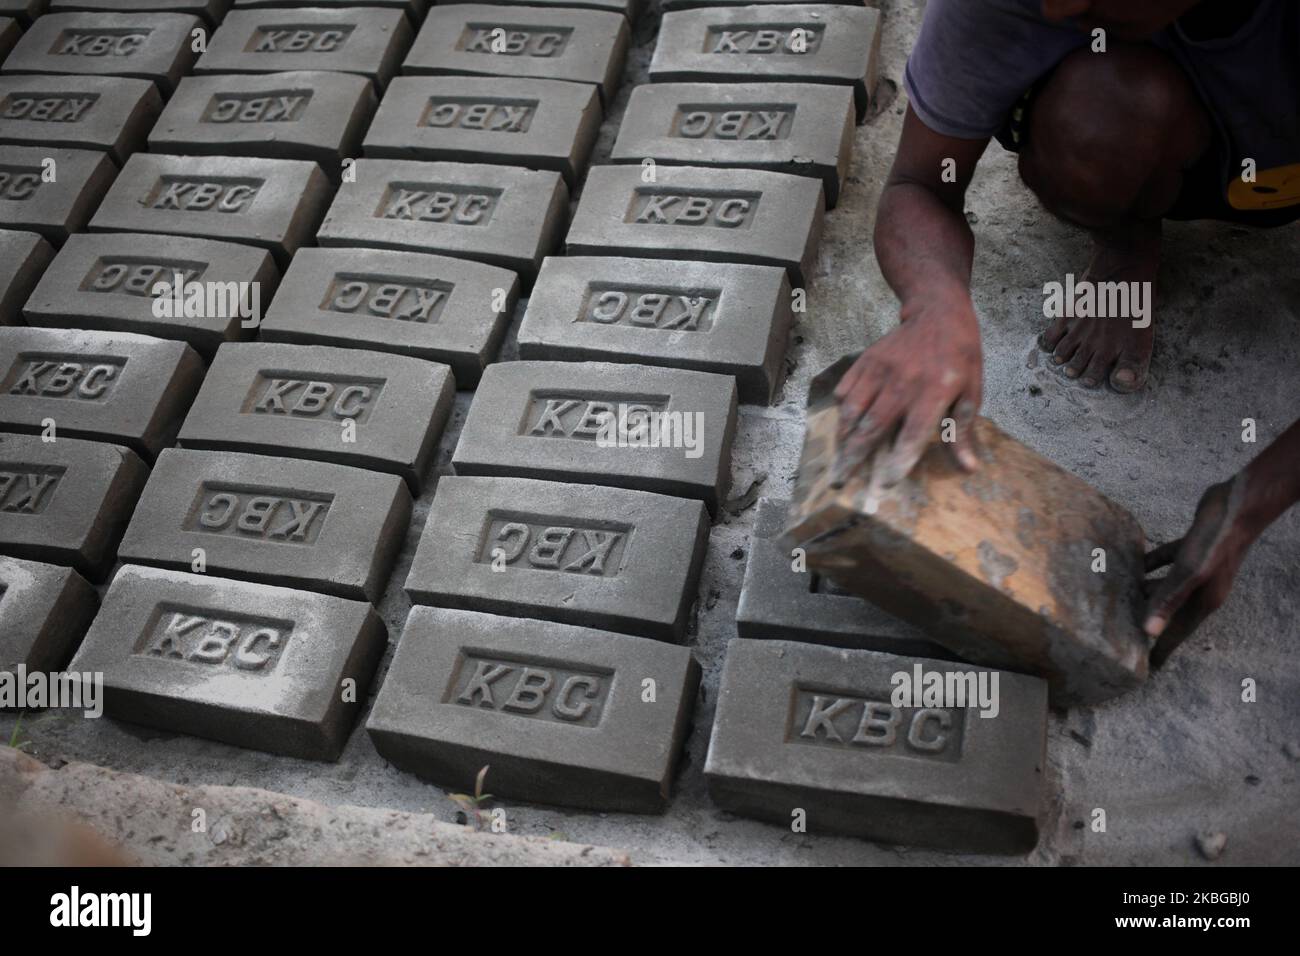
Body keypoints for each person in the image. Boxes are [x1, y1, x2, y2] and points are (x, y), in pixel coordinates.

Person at [833, 0, 1299, 658]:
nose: (1058, 6)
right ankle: (1128, 231)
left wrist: (1253, 501)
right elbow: (921, 181)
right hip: (1172, 130)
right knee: (1099, 111)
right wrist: (935, 304)